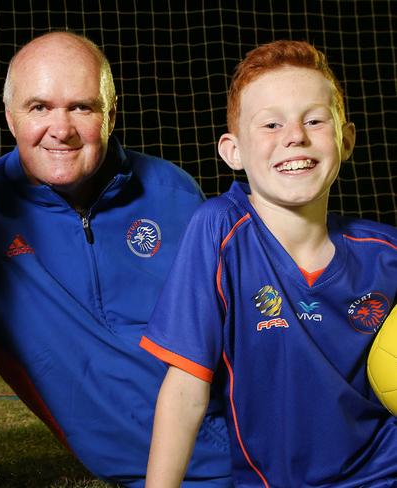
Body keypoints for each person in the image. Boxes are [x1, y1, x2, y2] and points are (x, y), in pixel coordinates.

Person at [0, 31, 232, 487]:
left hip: (267, 442)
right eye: (39, 107)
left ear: (111, 114)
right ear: (9, 117)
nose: (60, 129)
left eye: (82, 107)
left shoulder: (175, 193)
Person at [141, 40, 397, 487]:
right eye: (271, 124)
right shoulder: (220, 231)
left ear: (346, 138)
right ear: (233, 151)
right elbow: (185, 391)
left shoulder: (386, 252)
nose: (295, 136)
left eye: (315, 120)